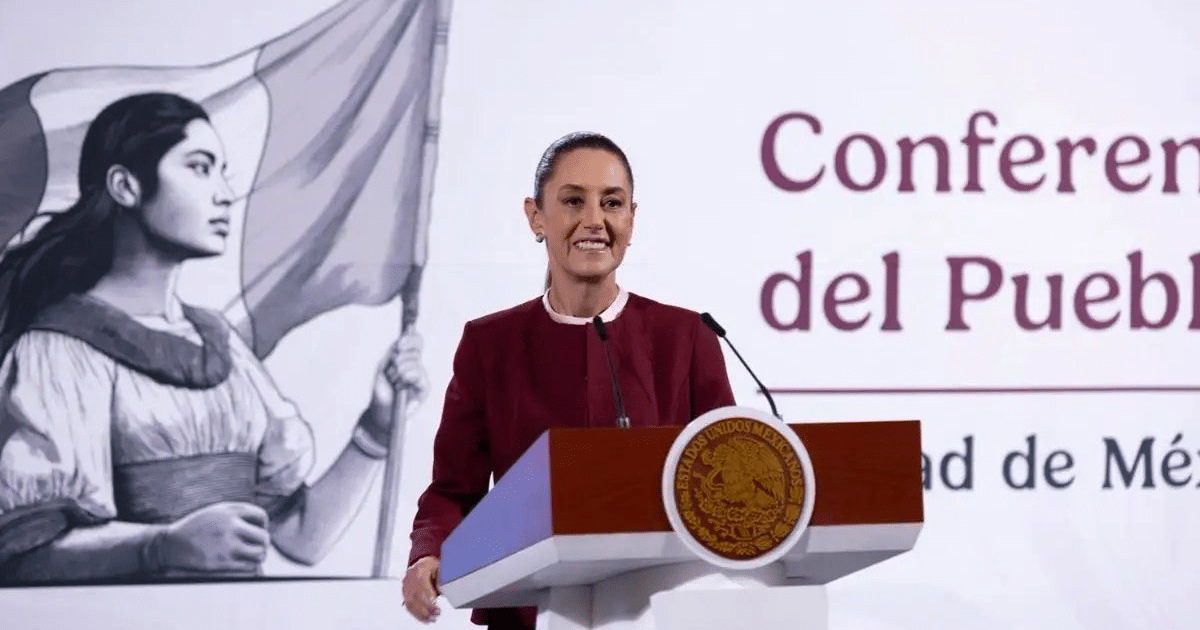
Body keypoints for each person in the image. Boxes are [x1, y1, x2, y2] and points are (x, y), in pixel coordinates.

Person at [0, 92, 428, 582]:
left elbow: (302, 537)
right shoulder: (58, 351)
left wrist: (375, 427)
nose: (224, 193)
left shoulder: (218, 343)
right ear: (124, 186)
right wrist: (162, 546)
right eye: (200, 168)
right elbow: (23, 554)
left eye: (222, 171)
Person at [401, 132, 736, 629]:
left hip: (656, 613)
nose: (594, 221)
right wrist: (426, 554)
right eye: (573, 201)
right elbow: (454, 490)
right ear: (536, 217)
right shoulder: (489, 344)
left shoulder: (688, 338)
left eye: (612, 203)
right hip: (525, 612)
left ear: (631, 220)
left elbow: (726, 480)